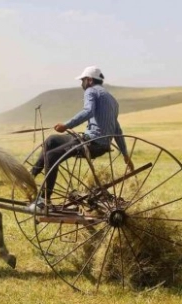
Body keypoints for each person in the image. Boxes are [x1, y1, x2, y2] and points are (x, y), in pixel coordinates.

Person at [29, 66, 133, 211]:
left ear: (89, 80)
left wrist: (66, 125)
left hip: (92, 143)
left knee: (51, 155)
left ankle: (45, 199)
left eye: (83, 80)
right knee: (52, 140)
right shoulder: (113, 101)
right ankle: (29, 177)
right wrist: (125, 154)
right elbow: (117, 129)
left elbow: (88, 111)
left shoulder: (91, 91)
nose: (81, 84)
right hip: (99, 144)